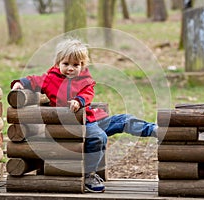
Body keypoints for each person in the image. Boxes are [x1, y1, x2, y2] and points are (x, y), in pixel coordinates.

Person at [11, 38, 157, 193]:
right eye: (66, 64)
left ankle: (155, 130)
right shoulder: (49, 79)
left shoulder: (86, 81)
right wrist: (20, 83)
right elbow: (33, 80)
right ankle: (89, 174)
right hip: (69, 126)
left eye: (76, 65)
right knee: (99, 137)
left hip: (87, 120)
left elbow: (87, 94)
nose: (71, 68)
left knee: (124, 120)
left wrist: (78, 101)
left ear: (82, 65)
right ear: (58, 63)